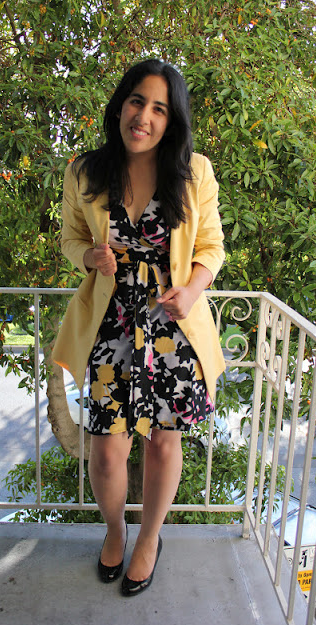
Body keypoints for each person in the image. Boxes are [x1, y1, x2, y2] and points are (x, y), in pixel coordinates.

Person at [52, 59, 225, 596]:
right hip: (110, 323)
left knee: (163, 443)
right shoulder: (84, 171)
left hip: (173, 327)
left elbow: (211, 248)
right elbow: (70, 239)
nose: (143, 116)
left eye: (158, 108)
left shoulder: (194, 172)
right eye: (136, 101)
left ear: (171, 120)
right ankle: (114, 529)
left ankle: (149, 539)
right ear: (120, 104)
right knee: (106, 447)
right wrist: (90, 258)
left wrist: (192, 291)